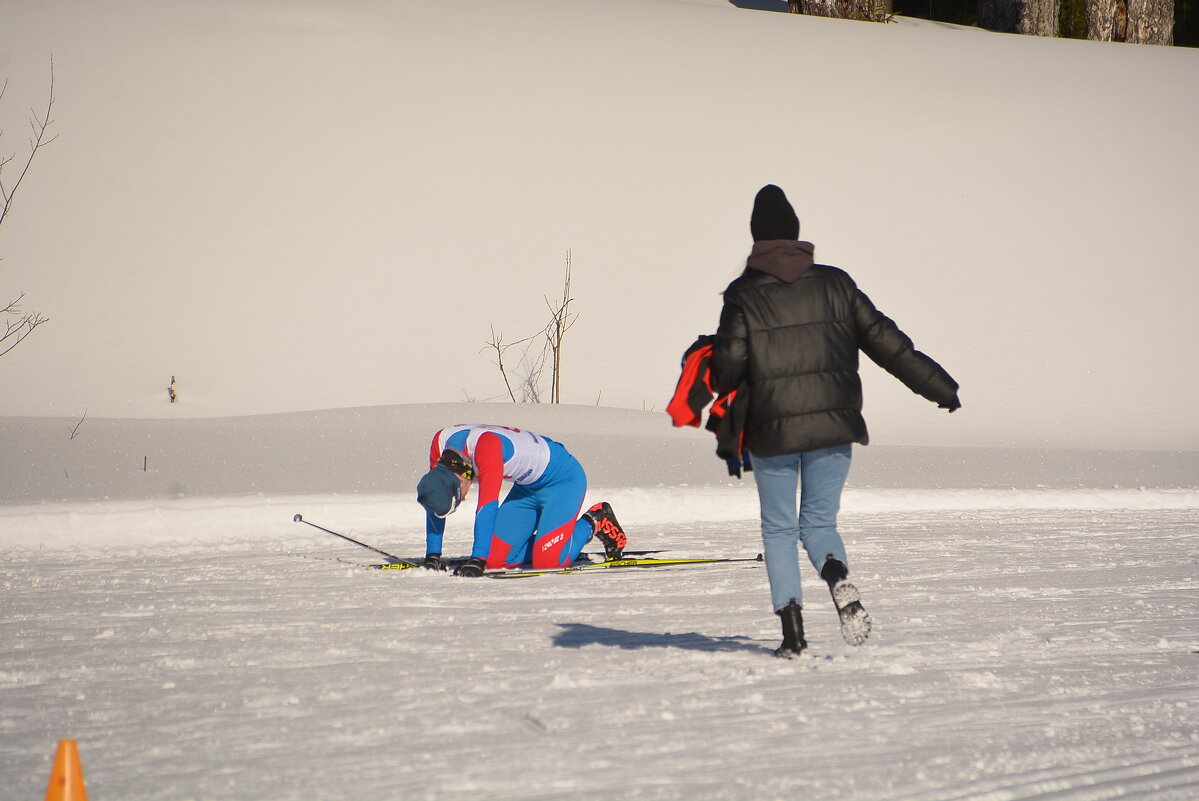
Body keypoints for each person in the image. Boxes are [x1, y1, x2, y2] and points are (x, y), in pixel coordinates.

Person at [711, 185, 960, 658]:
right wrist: (940, 387)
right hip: (835, 427)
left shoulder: (744, 294)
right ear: (796, 233)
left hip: (773, 432)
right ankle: (836, 575)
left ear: (755, 237)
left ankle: (793, 633)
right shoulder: (837, 283)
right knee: (819, 521)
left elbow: (727, 370)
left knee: (780, 529)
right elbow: (888, 343)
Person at [415, 424, 628, 576]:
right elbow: (434, 498)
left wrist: (478, 559)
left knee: (549, 562)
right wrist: (433, 555)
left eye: (459, 499)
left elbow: (487, 507)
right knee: (496, 561)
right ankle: (550, 541)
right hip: (527, 489)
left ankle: (595, 520)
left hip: (563, 481)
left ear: (460, 480)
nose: (465, 497)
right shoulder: (440, 443)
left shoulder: (486, 449)